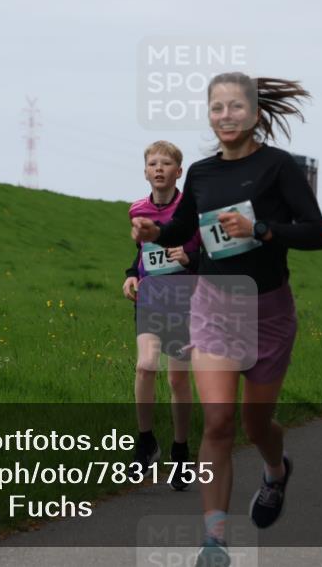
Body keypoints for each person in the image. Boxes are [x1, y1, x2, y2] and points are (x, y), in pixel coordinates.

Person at [131, 72, 322, 566]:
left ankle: (276, 470)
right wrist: (155, 230)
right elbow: (181, 225)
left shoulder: (279, 168)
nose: (225, 116)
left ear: (255, 113)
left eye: (235, 107)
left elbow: (315, 234)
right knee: (217, 421)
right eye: (216, 108)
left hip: (268, 312)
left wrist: (261, 229)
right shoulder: (200, 173)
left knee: (255, 423)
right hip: (214, 306)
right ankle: (214, 541)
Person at [123, 141, 200, 490]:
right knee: (145, 365)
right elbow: (140, 251)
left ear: (178, 171)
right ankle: (145, 442)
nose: (159, 168)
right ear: (145, 172)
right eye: (152, 163)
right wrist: (131, 274)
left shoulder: (192, 210)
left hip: (185, 299)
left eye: (166, 163)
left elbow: (209, 254)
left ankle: (181, 451)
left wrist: (189, 259)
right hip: (151, 297)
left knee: (177, 380)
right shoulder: (137, 209)